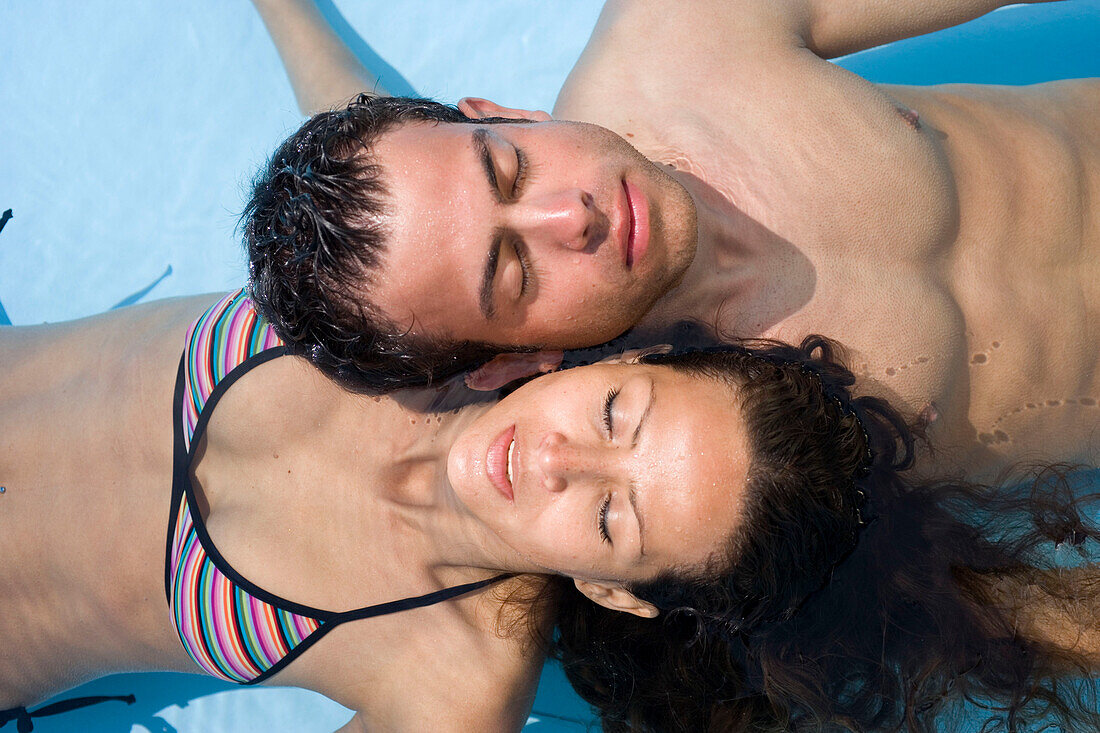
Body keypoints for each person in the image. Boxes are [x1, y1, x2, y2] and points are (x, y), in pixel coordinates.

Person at [2, 291, 1100, 732]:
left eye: (613, 518)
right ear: (623, 354)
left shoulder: (449, 682)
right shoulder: (433, 308)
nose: (560, 461)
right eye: (617, 410)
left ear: (611, 588)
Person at [246, 0, 1099, 487]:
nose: (569, 218)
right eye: (514, 274)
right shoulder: (687, 459)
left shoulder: (679, 35)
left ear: (501, 113)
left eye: (509, 168)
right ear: (514, 365)